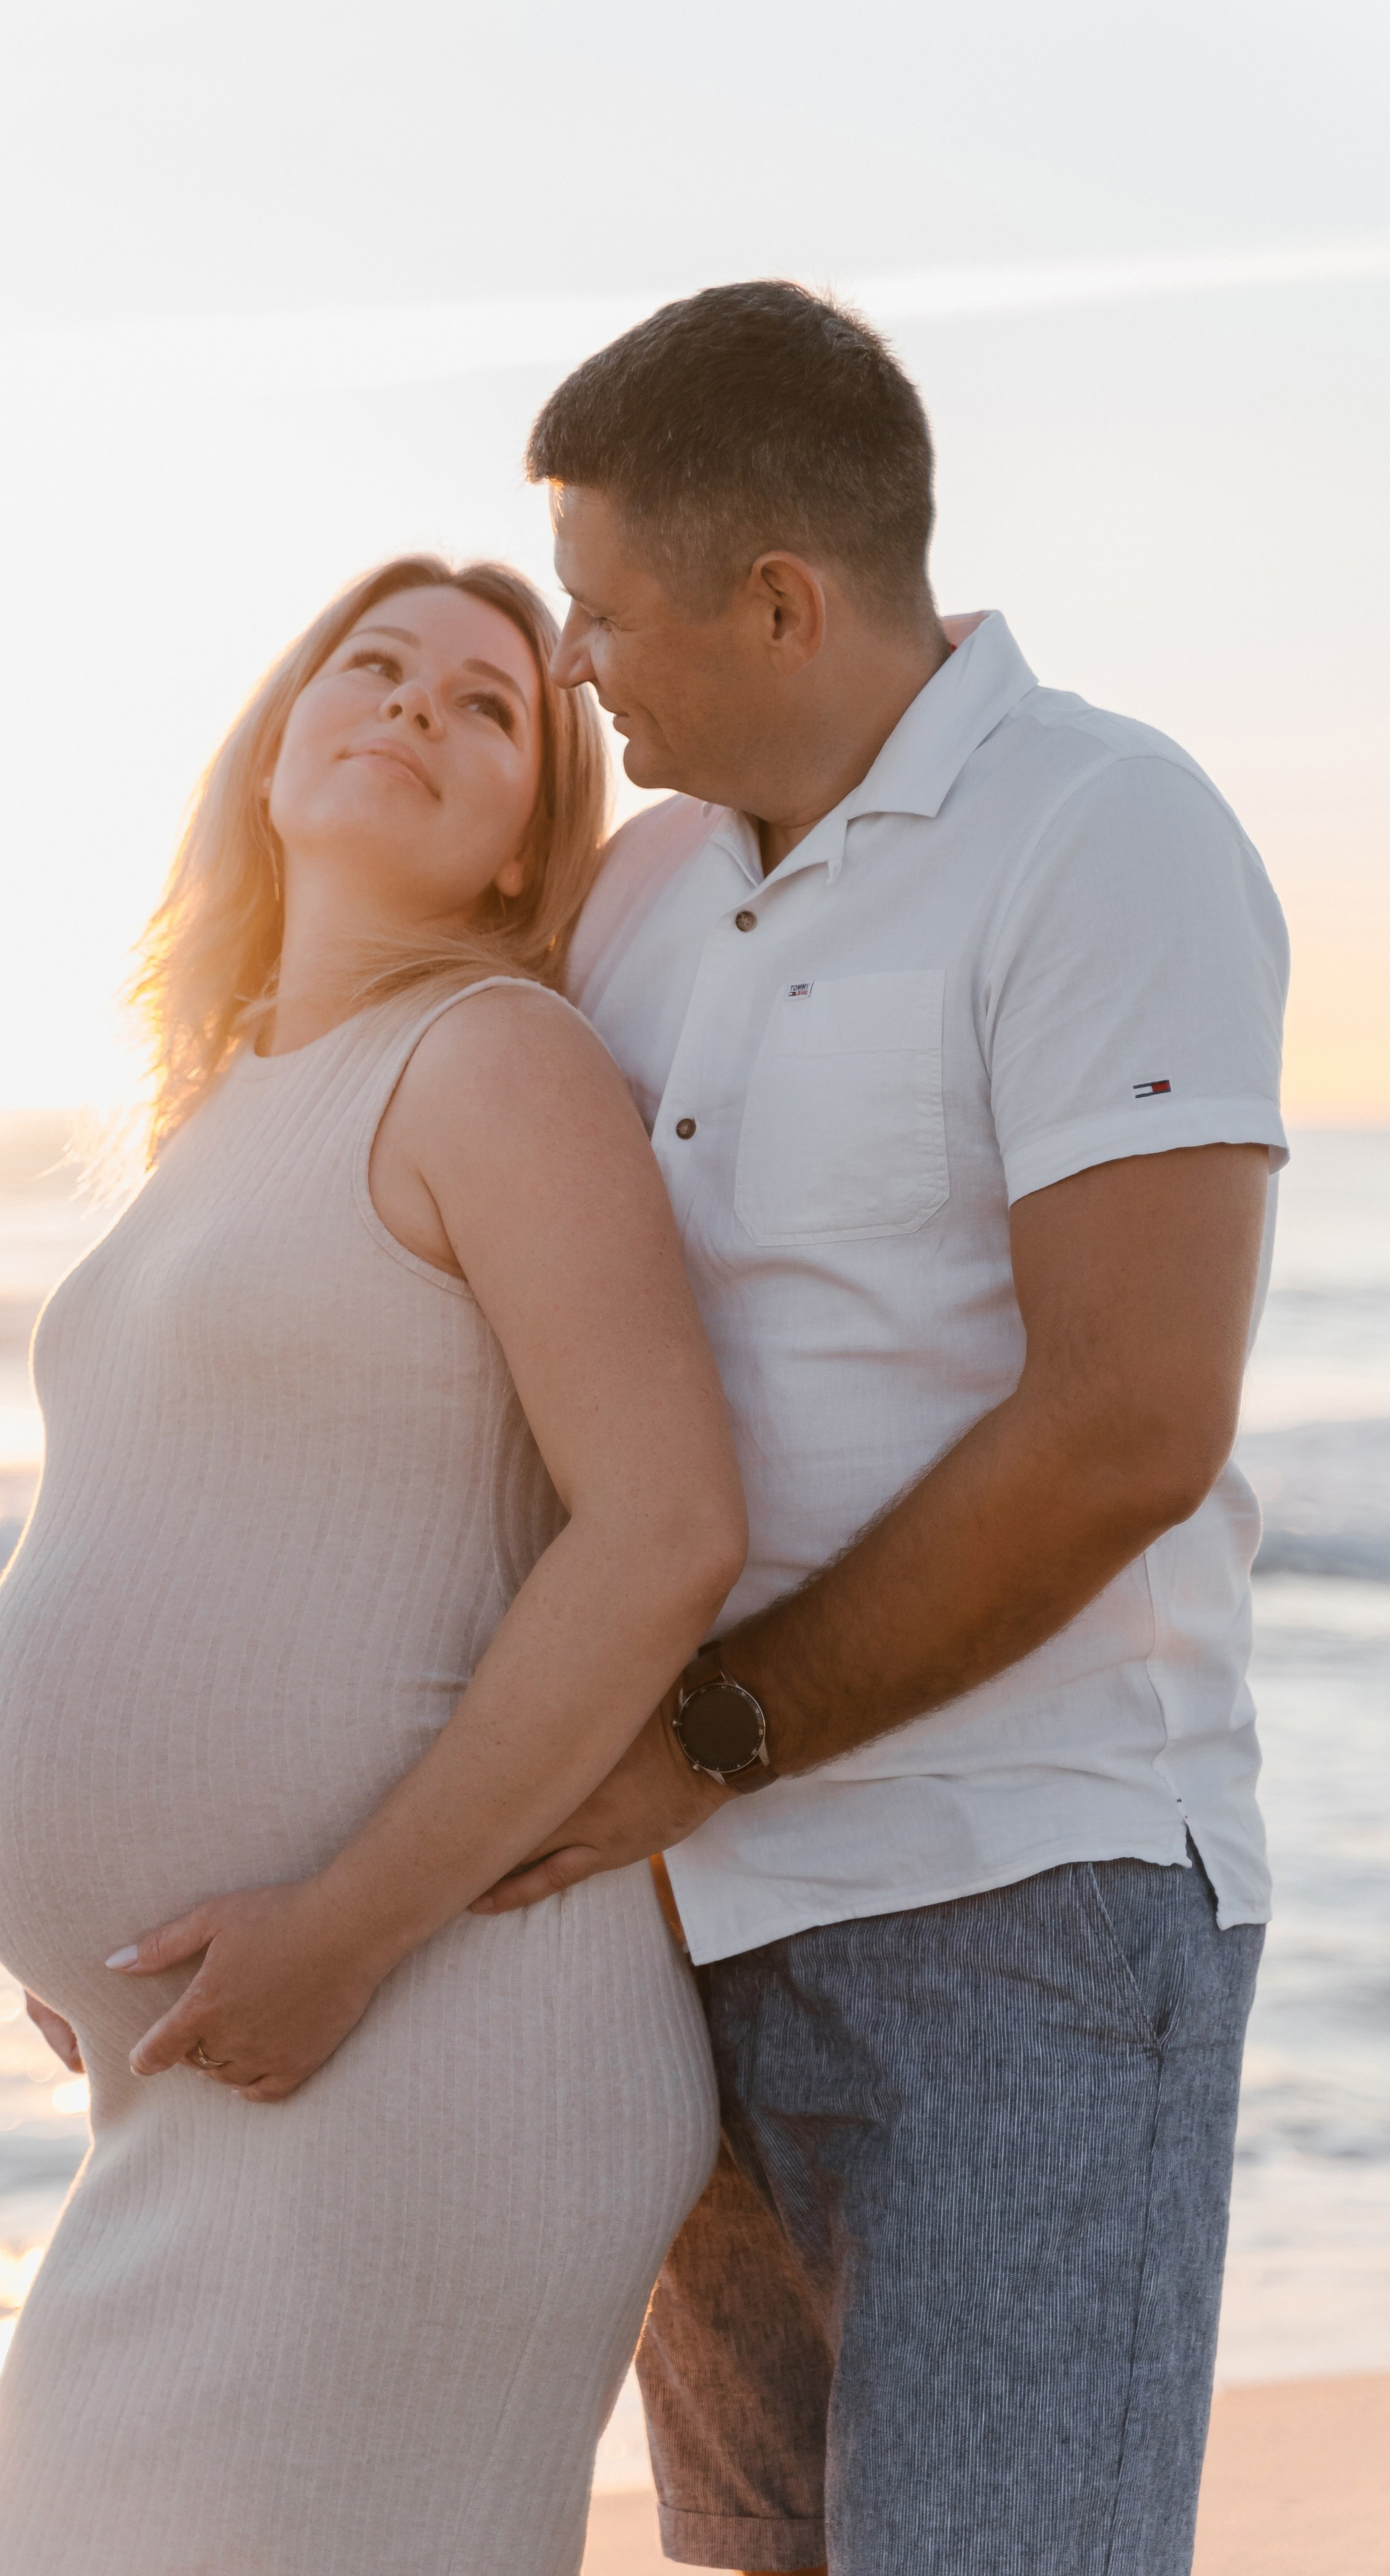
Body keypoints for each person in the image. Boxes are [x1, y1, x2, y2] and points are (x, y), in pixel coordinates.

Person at [475, 284, 1291, 2576]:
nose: (573, 661)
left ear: (779, 598)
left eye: (603, 605)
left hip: (1020, 1904)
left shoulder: (1100, 831)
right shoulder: (641, 894)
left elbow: (1129, 1423)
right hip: (690, 1932)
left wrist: (715, 1735)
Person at [0, 555, 744, 2576]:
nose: (415, 710)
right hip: (246, 2063)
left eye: (488, 709)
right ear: (276, 748)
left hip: (428, 2044)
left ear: (517, 854)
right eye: (372, 669)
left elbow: (667, 1533)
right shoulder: (228, 1108)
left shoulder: (493, 1059)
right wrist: (84, 1939)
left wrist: (348, 1932)